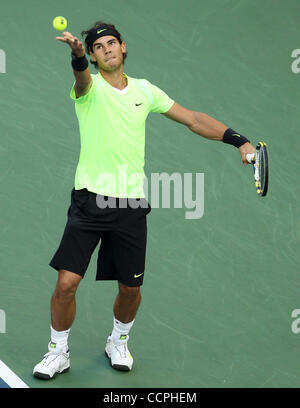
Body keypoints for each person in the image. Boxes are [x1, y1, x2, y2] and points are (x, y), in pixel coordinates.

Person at [33, 21, 256, 380]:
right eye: (97, 47)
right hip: (89, 202)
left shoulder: (145, 91)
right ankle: (58, 351)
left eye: (111, 44)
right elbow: (81, 79)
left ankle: (118, 341)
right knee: (66, 284)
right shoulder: (88, 90)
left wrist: (238, 140)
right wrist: (75, 58)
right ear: (91, 56)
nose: (105, 50)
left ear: (123, 48)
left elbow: (194, 119)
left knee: (131, 288)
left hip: (130, 207)